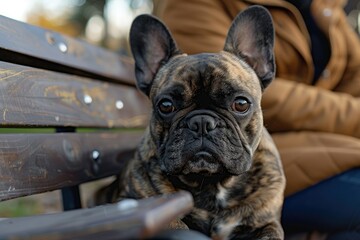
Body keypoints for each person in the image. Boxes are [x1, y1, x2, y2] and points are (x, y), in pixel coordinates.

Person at [154, 0, 360, 239]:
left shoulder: (325, 8)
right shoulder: (199, 5)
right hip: (263, 157)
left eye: (239, 105)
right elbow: (228, 84)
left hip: (326, 145)